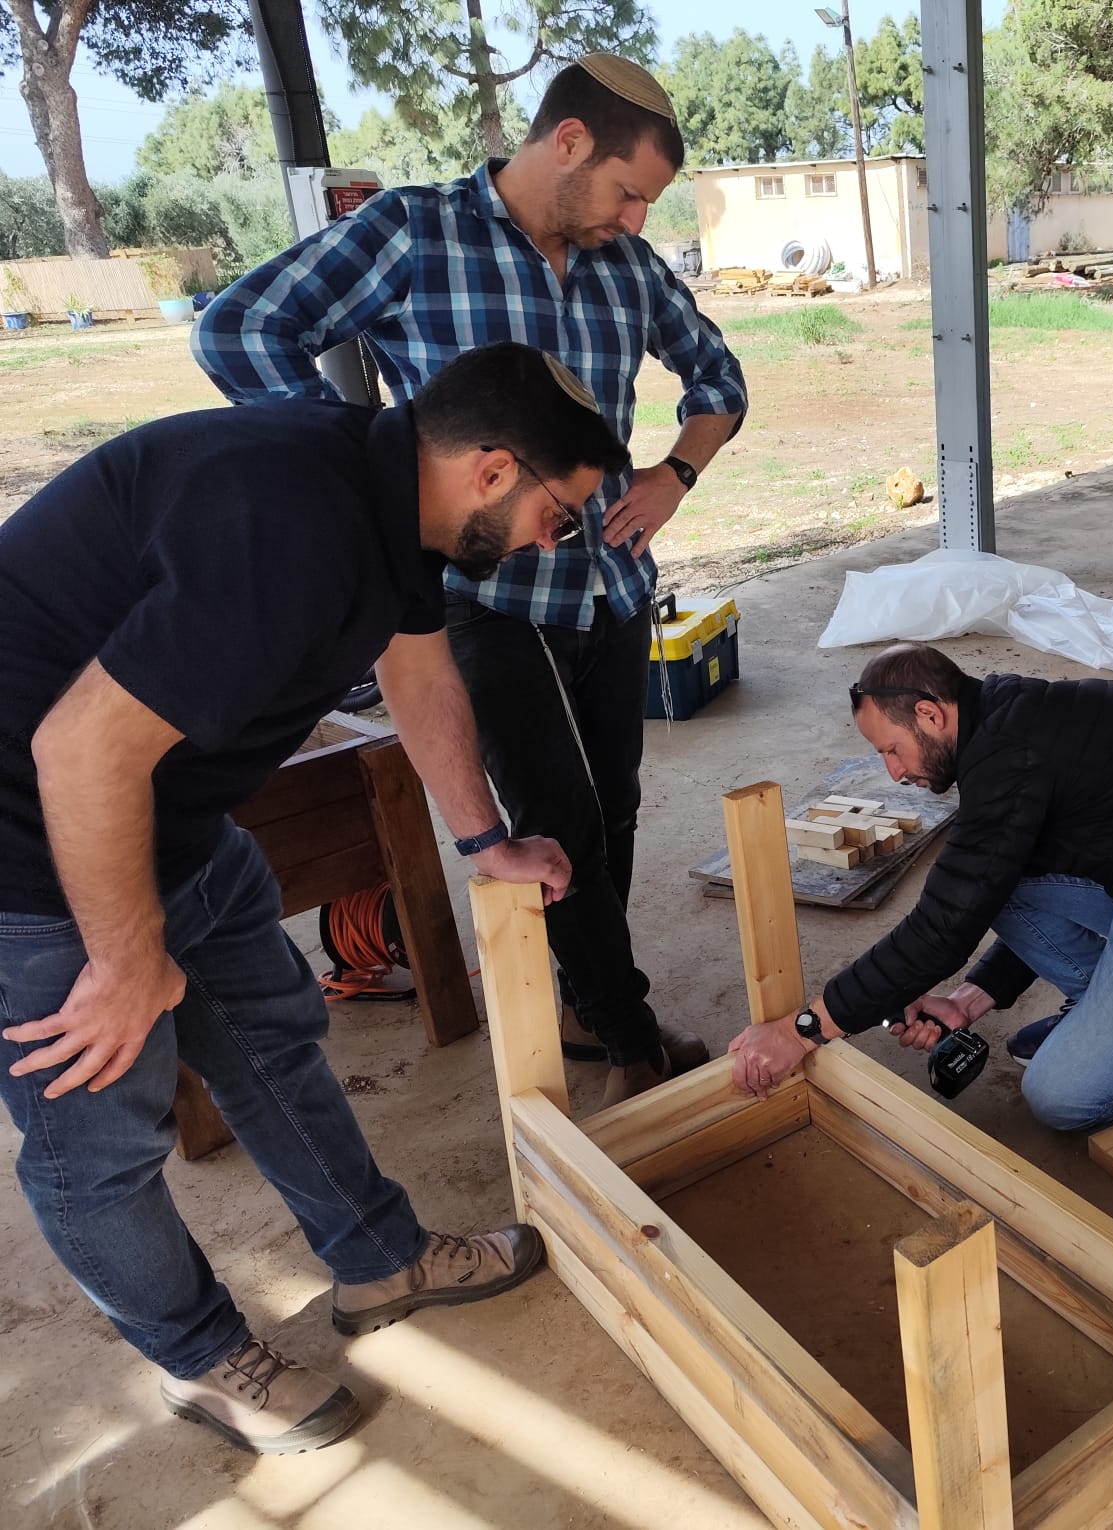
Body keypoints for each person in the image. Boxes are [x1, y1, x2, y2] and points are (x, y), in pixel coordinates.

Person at [0, 342, 625, 1456]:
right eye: (557, 513)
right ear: (491, 470)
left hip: (171, 817)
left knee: (273, 1042)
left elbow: (417, 668)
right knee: (98, 1140)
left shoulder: (388, 500)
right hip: (31, 850)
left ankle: (379, 1261)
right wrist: (129, 957)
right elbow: (80, 750)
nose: (550, 540)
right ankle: (200, 1359)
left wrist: (483, 838)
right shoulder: (285, 530)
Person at [194, 54, 748, 1110]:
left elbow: (719, 381)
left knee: (614, 807)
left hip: (612, 585)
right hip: (486, 599)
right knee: (558, 811)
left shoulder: (627, 268)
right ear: (570, 142)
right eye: (631, 192)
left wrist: (675, 476)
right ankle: (630, 1039)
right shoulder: (415, 231)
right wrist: (356, 464)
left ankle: (585, 991)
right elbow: (241, 328)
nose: (636, 221)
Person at [726, 643, 1113, 1130]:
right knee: (991, 879)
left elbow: (940, 932)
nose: (895, 772)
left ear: (931, 714)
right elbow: (987, 886)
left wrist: (802, 1031)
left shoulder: (1013, 758)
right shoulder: (1006, 714)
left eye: (892, 750)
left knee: (1058, 1098)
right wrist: (969, 998)